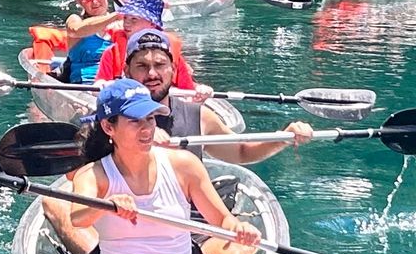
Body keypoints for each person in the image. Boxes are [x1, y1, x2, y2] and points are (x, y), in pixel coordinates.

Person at [41, 79, 266, 254]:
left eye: (150, 118)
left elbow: (223, 221)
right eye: (135, 121)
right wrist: (107, 205)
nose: (147, 128)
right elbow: (79, 218)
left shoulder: (184, 166)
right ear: (108, 127)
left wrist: (240, 229)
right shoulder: (94, 174)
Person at [124, 28, 311, 165]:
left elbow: (241, 152)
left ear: (173, 70)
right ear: (127, 71)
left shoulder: (199, 116)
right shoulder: (112, 119)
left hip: (189, 213)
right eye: (142, 66)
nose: (152, 74)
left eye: (159, 65)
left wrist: (283, 138)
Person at [92, 0, 200, 87]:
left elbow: (188, 87)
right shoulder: (111, 52)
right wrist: (104, 85)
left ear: (152, 24)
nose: (127, 22)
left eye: (134, 19)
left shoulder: (170, 55)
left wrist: (200, 89)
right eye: (125, 17)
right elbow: (99, 83)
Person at [58, 0, 118, 83]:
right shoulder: (75, 20)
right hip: (85, 86)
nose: (94, 1)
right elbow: (76, 30)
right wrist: (115, 16)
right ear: (80, 1)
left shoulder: (122, 25)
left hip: (117, 85)